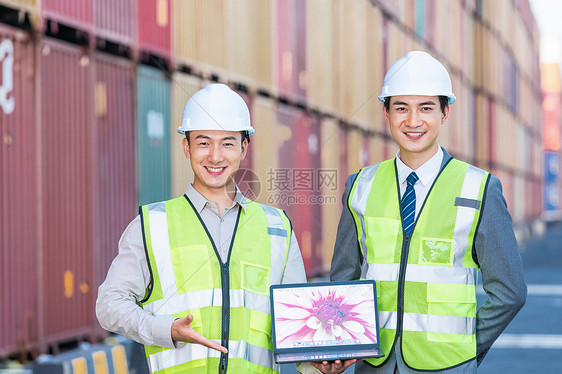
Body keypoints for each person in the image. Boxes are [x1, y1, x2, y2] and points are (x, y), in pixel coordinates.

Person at [330, 51, 527, 373]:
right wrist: (343, 346)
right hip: (373, 363)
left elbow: (510, 291)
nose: (413, 121)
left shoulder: (479, 188)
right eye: (401, 108)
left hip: (447, 365)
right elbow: (343, 279)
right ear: (385, 112)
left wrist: (466, 350)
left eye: (426, 108)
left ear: (445, 112)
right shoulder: (360, 186)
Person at [96, 83, 310, 373]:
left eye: (228, 143)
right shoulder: (152, 224)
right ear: (186, 147)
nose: (215, 156)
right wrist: (166, 329)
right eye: (203, 142)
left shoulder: (277, 228)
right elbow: (109, 305)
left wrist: (320, 365)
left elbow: (300, 326)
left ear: (244, 147)